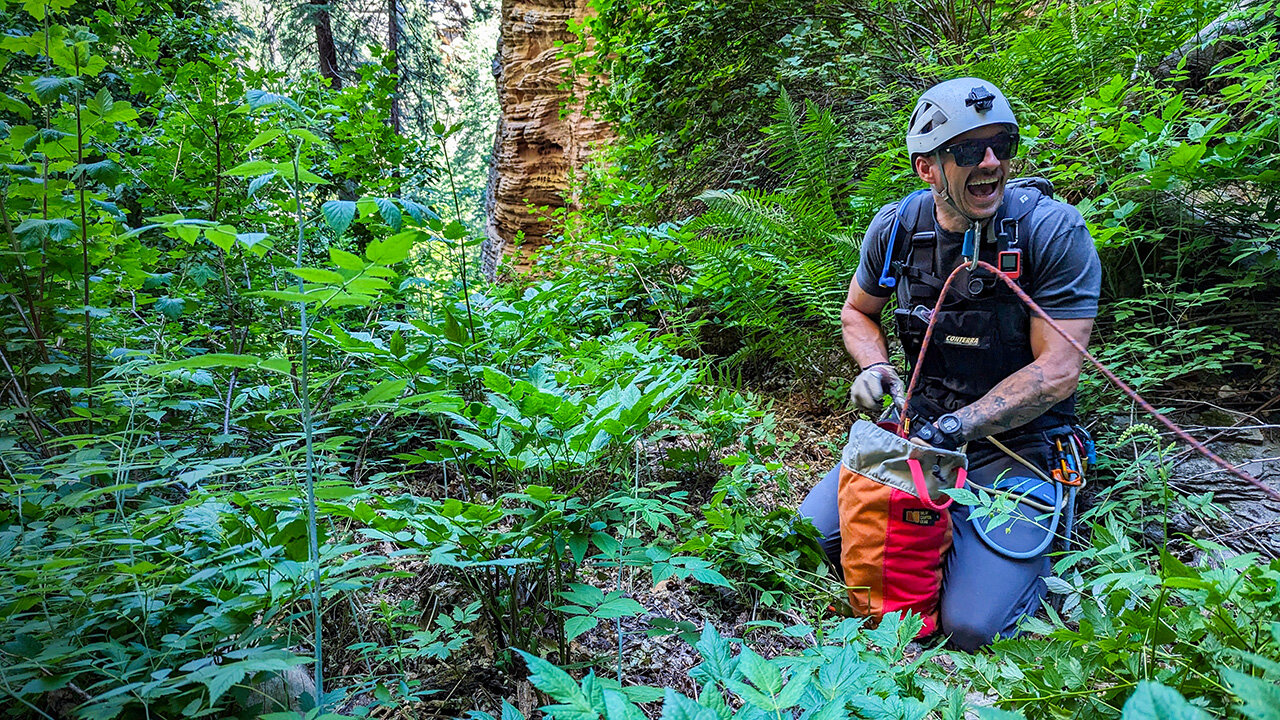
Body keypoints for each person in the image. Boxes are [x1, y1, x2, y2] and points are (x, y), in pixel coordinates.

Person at [799, 78, 1102, 651]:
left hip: (1021, 449)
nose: (990, 162)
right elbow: (857, 315)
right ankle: (951, 540)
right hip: (920, 439)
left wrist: (962, 426)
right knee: (804, 536)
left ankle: (1030, 543)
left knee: (969, 628)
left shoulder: (1050, 231)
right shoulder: (897, 229)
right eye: (968, 151)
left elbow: (1059, 369)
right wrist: (873, 366)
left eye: (1002, 144)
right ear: (928, 168)